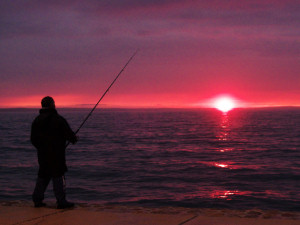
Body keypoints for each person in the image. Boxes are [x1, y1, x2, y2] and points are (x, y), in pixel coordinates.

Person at [31, 96, 78, 209]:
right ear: (52, 104)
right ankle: (61, 202)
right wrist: (74, 139)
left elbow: (33, 139)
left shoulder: (36, 120)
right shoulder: (58, 119)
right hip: (57, 155)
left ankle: (37, 200)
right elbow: (70, 136)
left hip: (42, 155)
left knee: (43, 175)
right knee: (58, 176)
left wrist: (41, 148)